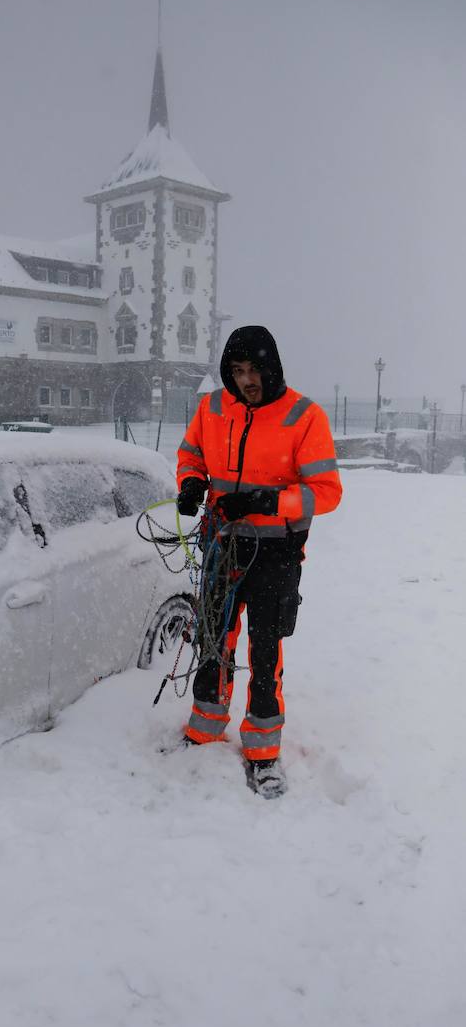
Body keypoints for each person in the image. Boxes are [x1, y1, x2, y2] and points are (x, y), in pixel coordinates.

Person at [175, 325, 342, 798]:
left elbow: (327, 493)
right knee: (212, 639)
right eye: (236, 371)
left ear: (272, 370)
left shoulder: (304, 416)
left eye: (253, 371)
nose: (246, 380)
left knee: (265, 652)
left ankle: (263, 750)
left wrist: (268, 502)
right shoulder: (211, 408)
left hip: (276, 555)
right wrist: (190, 482)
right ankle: (205, 728)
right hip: (221, 546)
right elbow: (191, 454)